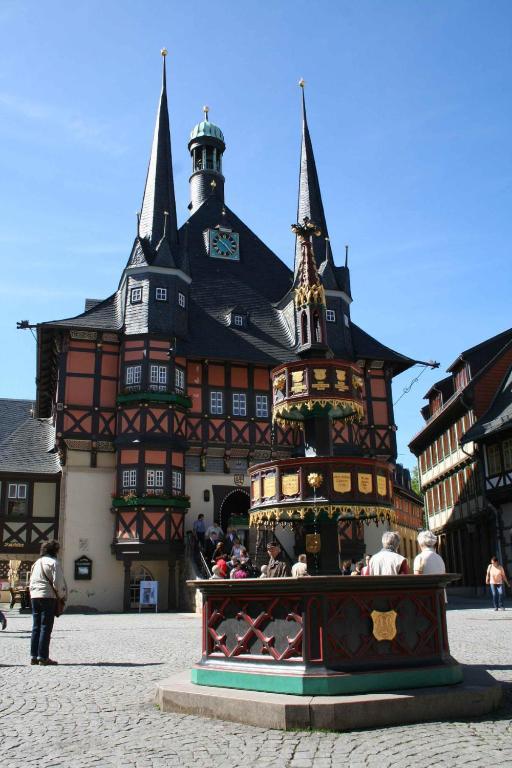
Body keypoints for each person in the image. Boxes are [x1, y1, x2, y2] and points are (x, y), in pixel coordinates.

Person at [29, 539, 67, 666]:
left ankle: (34, 656)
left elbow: (31, 582)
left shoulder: (36, 563)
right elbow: (59, 583)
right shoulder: (54, 563)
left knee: (36, 626)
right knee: (46, 627)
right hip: (48, 597)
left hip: (35, 596)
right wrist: (62, 597)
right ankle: (43, 657)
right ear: (54, 550)